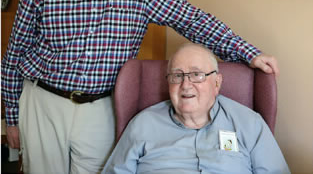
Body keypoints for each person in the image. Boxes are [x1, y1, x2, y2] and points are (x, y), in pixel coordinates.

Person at [1, 0, 279, 174]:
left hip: (102, 107)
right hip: (43, 102)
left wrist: (248, 53)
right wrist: (11, 117)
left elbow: (191, 19)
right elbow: (15, 53)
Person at [103, 43, 290, 174]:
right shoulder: (143, 124)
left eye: (196, 75)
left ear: (217, 83)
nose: (185, 85)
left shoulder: (250, 123)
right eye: (177, 76)